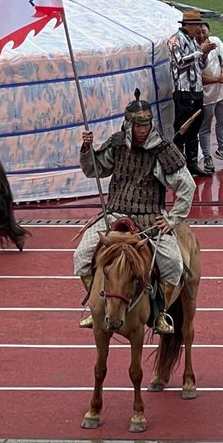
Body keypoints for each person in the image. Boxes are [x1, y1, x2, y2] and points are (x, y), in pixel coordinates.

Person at [74, 89, 196, 334]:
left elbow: (187, 185)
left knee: (173, 264)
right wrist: (87, 149)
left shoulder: (163, 151)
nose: (143, 129)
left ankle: (160, 313)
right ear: (128, 124)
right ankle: (96, 307)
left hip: (149, 218)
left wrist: (172, 219)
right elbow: (94, 170)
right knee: (81, 256)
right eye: (138, 124)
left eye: (147, 123)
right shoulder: (117, 144)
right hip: (113, 215)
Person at [169, 10, 211, 177]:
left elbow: (199, 65)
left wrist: (204, 54)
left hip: (197, 91)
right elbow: (179, 63)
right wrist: (200, 51)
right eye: (197, 26)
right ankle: (179, 165)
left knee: (194, 128)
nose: (199, 29)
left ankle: (192, 163)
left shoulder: (193, 41)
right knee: (182, 128)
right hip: (183, 91)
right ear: (189, 25)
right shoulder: (175, 40)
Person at [198, 30, 223, 170]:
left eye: (204, 32)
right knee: (205, 127)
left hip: (221, 92)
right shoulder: (194, 51)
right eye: (199, 33)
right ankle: (207, 157)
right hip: (206, 96)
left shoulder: (216, 42)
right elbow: (198, 78)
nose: (203, 36)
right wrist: (217, 79)